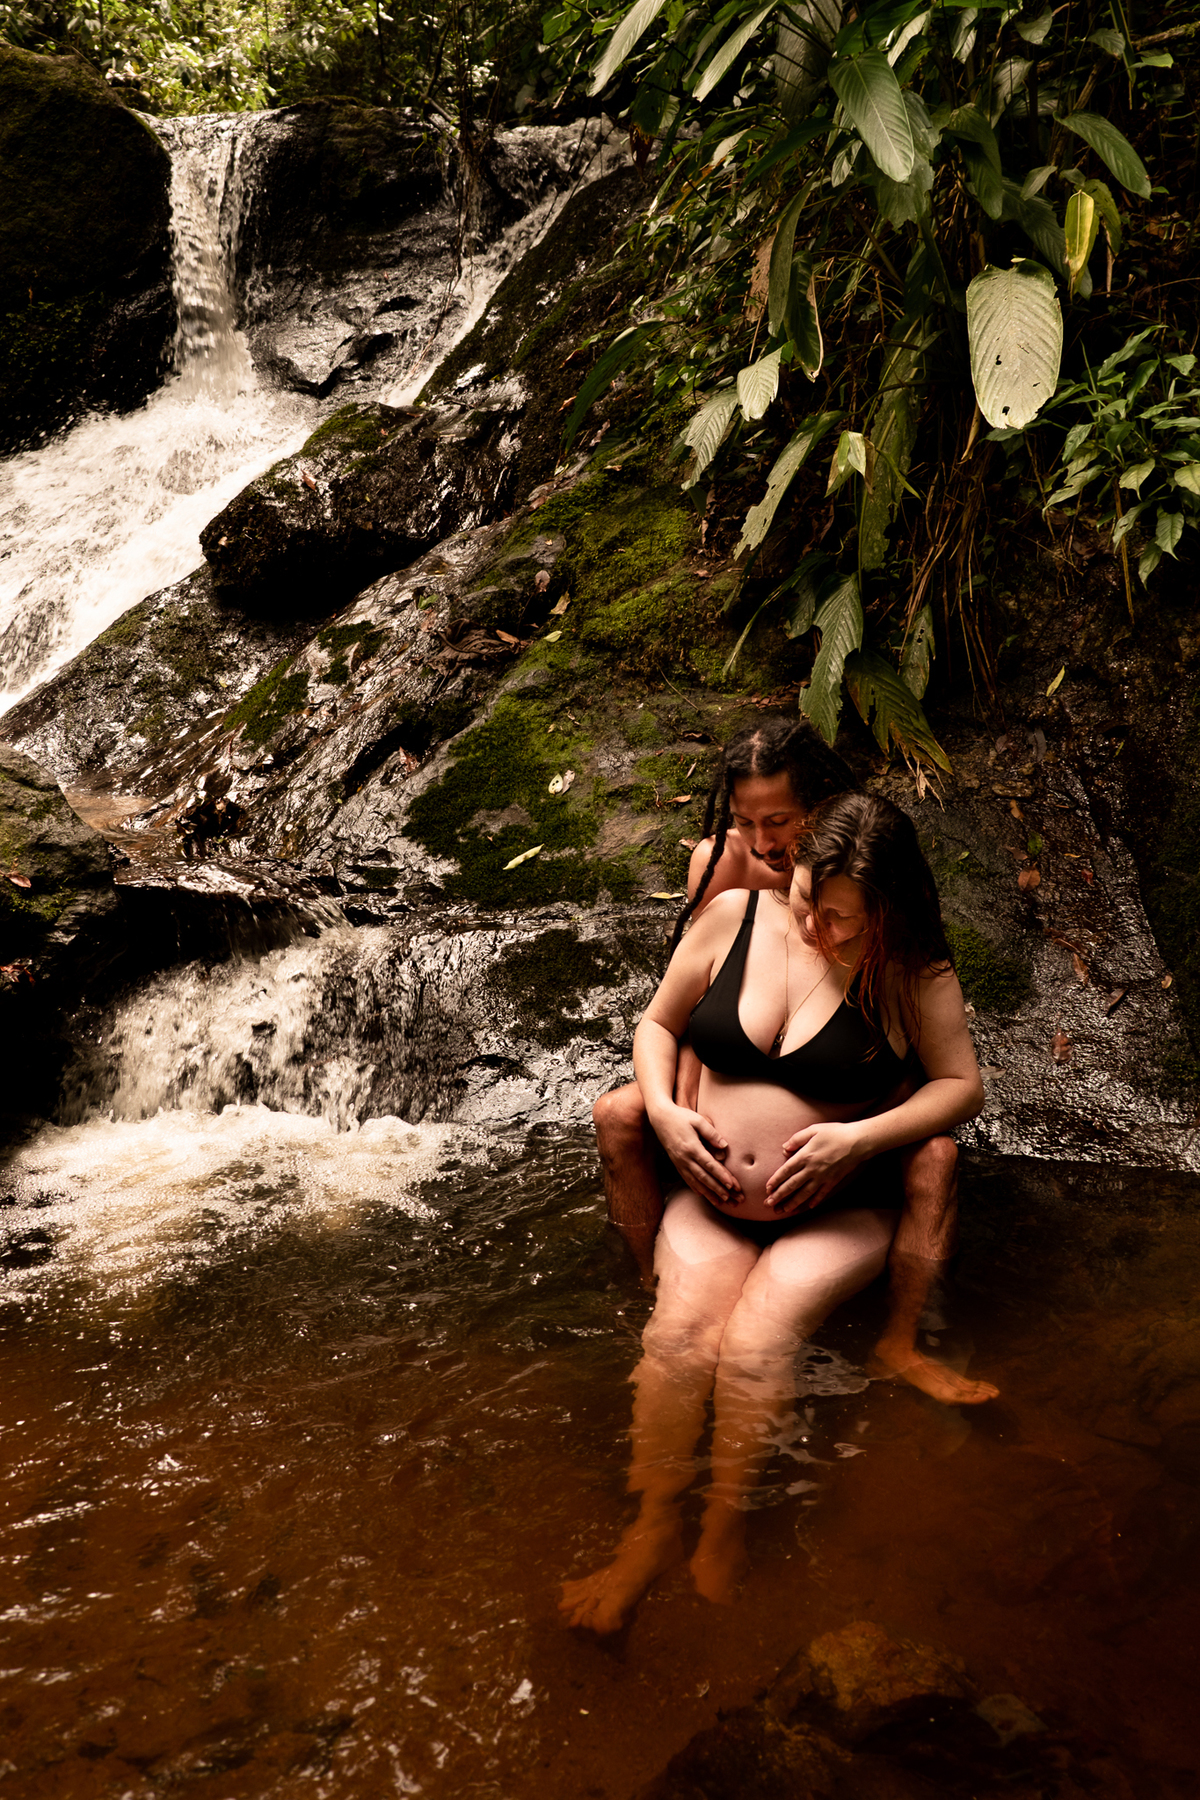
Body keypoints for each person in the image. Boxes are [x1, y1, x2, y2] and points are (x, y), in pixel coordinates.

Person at [562, 793, 988, 1634]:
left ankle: (724, 1525)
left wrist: (858, 1139)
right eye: (806, 902)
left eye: (841, 919)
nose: (816, 929)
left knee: (756, 1344)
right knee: (680, 1338)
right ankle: (651, 1528)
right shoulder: (732, 919)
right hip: (714, 1201)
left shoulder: (916, 972)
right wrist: (665, 1114)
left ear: (886, 910)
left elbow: (960, 1087)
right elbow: (657, 1025)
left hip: (838, 1210)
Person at [594, 716, 986, 1405]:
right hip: (721, 1096)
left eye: (777, 822)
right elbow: (691, 1002)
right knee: (620, 1113)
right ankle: (646, 1285)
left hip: (849, 1121)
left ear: (819, 809)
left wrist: (862, 1133)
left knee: (935, 1158)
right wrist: (673, 1107)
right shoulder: (727, 878)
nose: (762, 842)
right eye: (745, 822)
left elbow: (942, 1064)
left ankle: (902, 1340)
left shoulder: (881, 902)